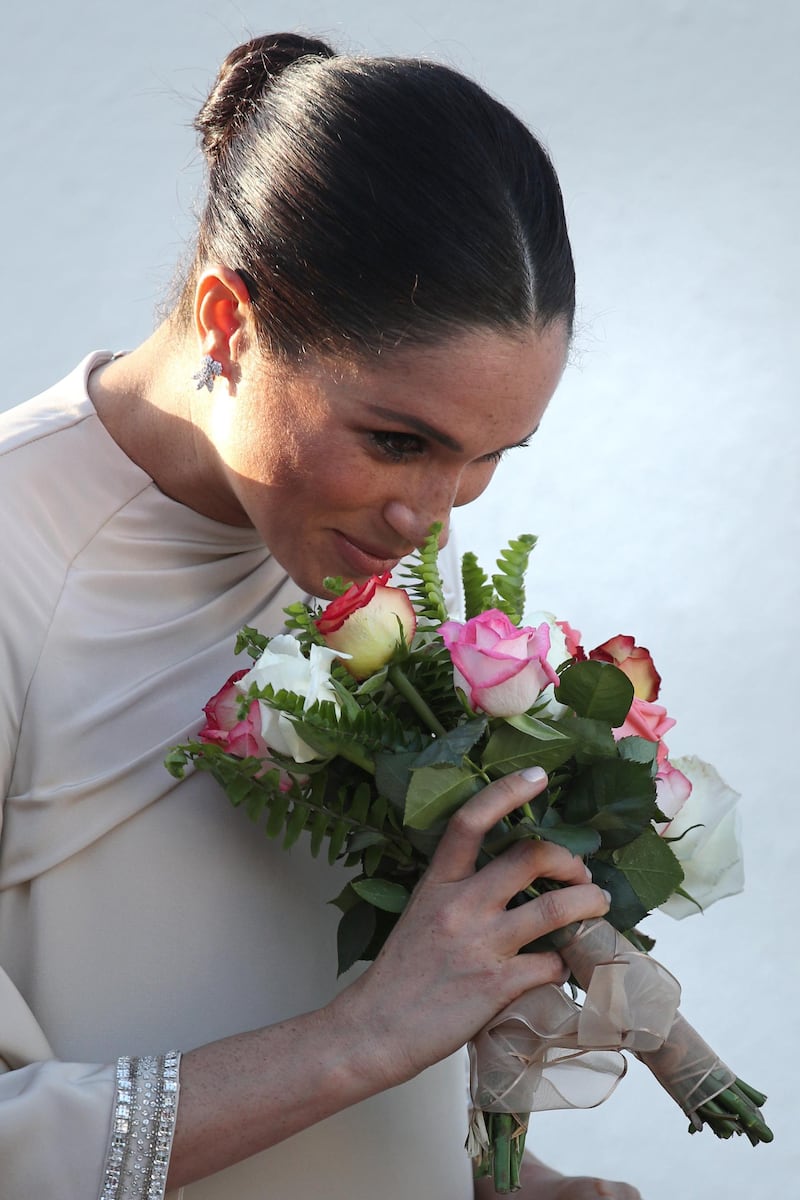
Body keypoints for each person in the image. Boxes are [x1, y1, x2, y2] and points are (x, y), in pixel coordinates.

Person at [0, 32, 642, 1200]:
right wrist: (358, 1042)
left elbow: (300, 977)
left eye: (487, 457)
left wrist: (503, 1176)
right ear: (228, 323)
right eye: (398, 441)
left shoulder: (342, 563)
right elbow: (359, 1030)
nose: (429, 520)